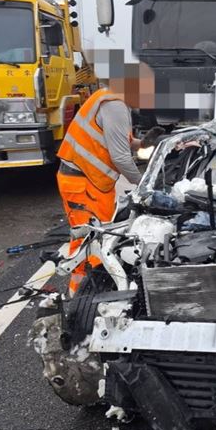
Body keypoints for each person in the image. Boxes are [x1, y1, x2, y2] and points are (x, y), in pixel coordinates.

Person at [56, 88, 163, 294]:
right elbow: (121, 158)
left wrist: (141, 144)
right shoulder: (115, 106)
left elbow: (115, 141)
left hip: (92, 183)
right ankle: (81, 297)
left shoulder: (111, 99)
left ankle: (95, 290)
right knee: (90, 242)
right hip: (83, 184)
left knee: (103, 238)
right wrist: (145, 185)